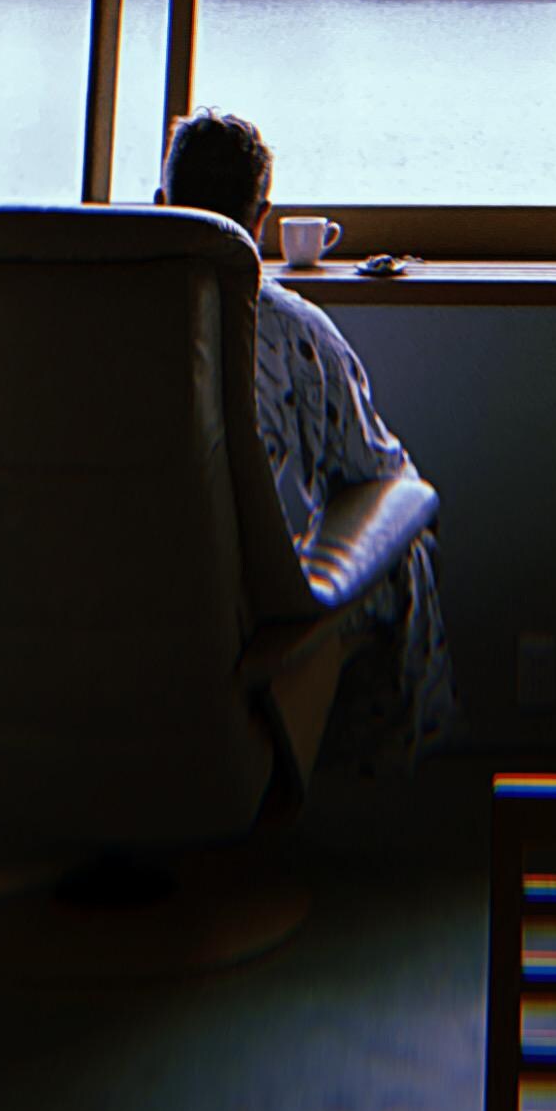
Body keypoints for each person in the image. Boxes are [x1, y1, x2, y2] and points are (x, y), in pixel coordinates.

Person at [159, 106, 454, 767]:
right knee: (401, 530)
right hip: (225, 636)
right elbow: (373, 471)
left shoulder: (78, 321)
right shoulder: (285, 330)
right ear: (261, 220)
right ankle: (374, 775)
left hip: (79, 620)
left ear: (160, 204)